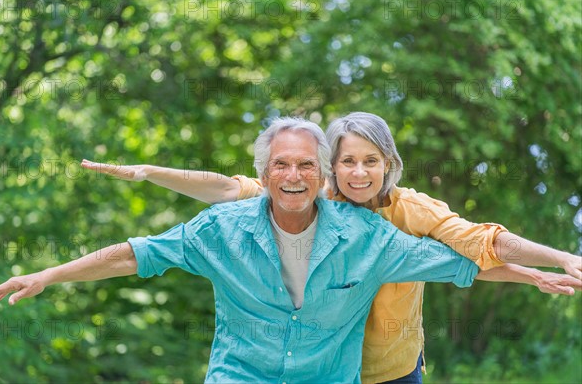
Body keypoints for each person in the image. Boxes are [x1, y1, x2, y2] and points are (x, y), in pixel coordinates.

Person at [81, 112, 582, 383]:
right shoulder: (310, 198)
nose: (359, 173)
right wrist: (150, 173)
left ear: (389, 163)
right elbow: (229, 189)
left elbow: (477, 250)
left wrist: (553, 262)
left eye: (371, 161)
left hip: (392, 372)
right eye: (347, 162)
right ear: (331, 167)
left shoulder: (412, 211)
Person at [0, 118, 488, 382]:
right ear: (265, 174)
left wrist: (540, 272)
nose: (294, 177)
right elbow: (138, 253)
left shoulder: (365, 234)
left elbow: (460, 262)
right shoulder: (222, 230)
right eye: (282, 166)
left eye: (307, 166)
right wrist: (49, 274)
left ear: (323, 176)